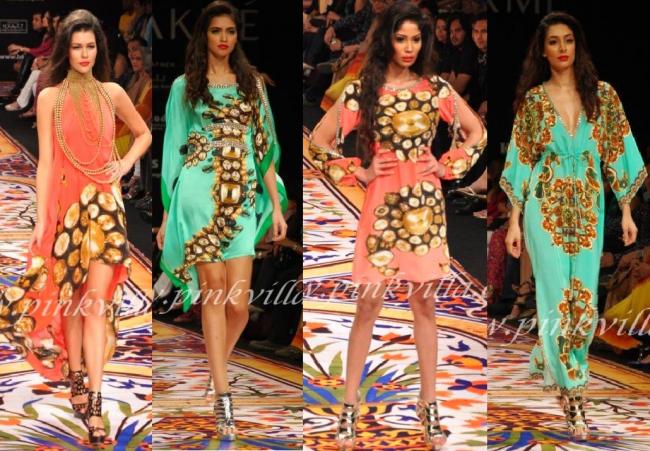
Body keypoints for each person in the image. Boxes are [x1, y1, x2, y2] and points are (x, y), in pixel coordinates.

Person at [308, 2, 486, 449]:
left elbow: (477, 132)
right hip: (382, 204)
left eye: (416, 39)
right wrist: (359, 170)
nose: (409, 47)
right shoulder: (364, 90)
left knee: (424, 306)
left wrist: (446, 166)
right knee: (368, 305)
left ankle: (430, 407)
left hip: (424, 207)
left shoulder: (435, 89)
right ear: (387, 39)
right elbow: (318, 142)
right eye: (401, 38)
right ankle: (348, 409)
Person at [0, 9, 151, 446]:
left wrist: (122, 165)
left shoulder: (113, 92)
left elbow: (143, 133)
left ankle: (96, 403)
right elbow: (46, 163)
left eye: (90, 47)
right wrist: (42, 219)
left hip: (105, 206)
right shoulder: (50, 96)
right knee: (72, 299)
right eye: (76, 47)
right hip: (67, 208)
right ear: (66, 51)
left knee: (96, 304)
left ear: (98, 49)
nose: (84, 54)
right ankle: (77, 375)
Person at [500, 11, 647, 441]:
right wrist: (513, 221)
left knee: (583, 305)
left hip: (588, 208)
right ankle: (574, 395)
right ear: (542, 51)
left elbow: (619, 152)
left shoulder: (602, 96)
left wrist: (626, 210)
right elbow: (521, 161)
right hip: (543, 209)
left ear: (577, 46)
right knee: (554, 297)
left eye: (568, 40)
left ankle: (556, 359)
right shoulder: (534, 102)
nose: (562, 48)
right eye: (553, 42)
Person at [156, 0, 288, 440]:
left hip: (242, 198)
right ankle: (224, 395)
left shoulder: (252, 84)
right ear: (204, 36)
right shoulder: (184, 86)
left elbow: (264, 148)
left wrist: (276, 204)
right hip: (198, 194)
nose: (224, 38)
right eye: (216, 31)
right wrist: (167, 216)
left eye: (230, 30)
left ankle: (215, 373)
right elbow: (174, 149)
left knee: (238, 306)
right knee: (214, 294)